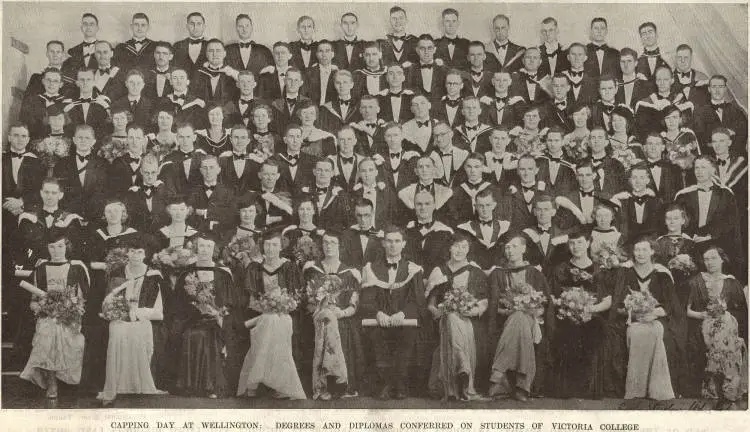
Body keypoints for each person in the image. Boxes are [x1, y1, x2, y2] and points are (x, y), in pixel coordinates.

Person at [79, 200, 141, 394]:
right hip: (100, 287)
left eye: (117, 210)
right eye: (109, 211)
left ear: (123, 213)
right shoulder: (95, 235)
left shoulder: (134, 235)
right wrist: (110, 266)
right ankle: (97, 381)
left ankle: (123, 380)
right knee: (99, 330)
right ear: (104, 214)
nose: (113, 214)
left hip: (126, 285)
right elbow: (89, 262)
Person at [97, 237, 168, 406]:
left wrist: (138, 313)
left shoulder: (154, 276)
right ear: (126, 253)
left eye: (140, 252)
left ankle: (138, 384)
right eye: (132, 251)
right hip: (120, 319)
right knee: (117, 331)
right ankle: (117, 384)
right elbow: (107, 301)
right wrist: (118, 312)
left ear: (146, 254)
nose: (135, 255)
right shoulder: (118, 273)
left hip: (144, 319)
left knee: (138, 332)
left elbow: (159, 311)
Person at [609, 237, 680, 400]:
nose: (640, 254)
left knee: (655, 331)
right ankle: (636, 388)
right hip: (630, 318)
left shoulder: (662, 274)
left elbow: (670, 305)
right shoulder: (625, 272)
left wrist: (654, 313)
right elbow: (618, 303)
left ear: (652, 251)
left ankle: (655, 387)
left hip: (656, 318)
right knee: (635, 333)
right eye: (637, 250)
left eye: (644, 250)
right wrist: (634, 314)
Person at [237, 231, 306, 399]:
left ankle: (254, 382)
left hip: (285, 314)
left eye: (275, 245)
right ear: (262, 247)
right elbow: (252, 301)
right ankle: (278, 385)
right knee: (269, 320)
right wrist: (267, 307)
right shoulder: (254, 268)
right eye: (267, 245)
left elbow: (296, 299)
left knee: (272, 321)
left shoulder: (289, 268)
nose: (270, 248)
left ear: (281, 246)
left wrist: (281, 306)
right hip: (261, 313)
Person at [360, 225, 425, 399]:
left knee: (408, 336)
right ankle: (385, 384)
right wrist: (378, 313)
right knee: (377, 336)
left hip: (404, 319)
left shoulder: (413, 269)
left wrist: (402, 314)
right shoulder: (371, 268)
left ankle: (400, 383)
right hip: (380, 319)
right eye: (389, 241)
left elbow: (416, 299)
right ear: (383, 243)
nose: (393, 245)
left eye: (397, 241)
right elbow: (367, 299)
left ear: (404, 244)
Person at [20, 234, 89, 399]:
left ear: (67, 247)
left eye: (60, 246)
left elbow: (83, 297)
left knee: (70, 339)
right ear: (47, 248)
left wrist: (70, 309)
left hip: (70, 315)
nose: (56, 250)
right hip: (47, 315)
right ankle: (52, 383)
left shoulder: (77, 267)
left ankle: (65, 380)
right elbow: (34, 301)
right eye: (52, 246)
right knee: (48, 334)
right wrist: (40, 307)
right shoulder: (41, 268)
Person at [548, 230, 612, 399]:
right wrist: (565, 305)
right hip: (565, 315)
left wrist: (591, 309)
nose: (576, 247)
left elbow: (607, 299)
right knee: (566, 332)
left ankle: (589, 390)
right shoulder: (560, 269)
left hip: (591, 314)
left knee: (596, 330)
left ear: (588, 243)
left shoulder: (599, 269)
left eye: (580, 243)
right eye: (572, 243)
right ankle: (567, 390)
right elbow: (552, 296)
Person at [487, 234, 551, 401]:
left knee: (521, 317)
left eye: (515, 246)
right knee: (518, 318)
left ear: (523, 249)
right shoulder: (497, 274)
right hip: (506, 319)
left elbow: (544, 304)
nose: (510, 251)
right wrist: (512, 311)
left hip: (533, 320)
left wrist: (529, 309)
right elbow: (495, 307)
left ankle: (498, 373)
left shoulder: (534, 273)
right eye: (507, 247)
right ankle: (523, 385)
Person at [425, 234, 489, 400]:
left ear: (469, 250)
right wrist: (437, 311)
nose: (459, 250)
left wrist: (472, 310)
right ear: (449, 248)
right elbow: (431, 303)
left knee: (453, 318)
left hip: (469, 319)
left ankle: (458, 376)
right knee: (451, 317)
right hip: (443, 318)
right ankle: (463, 368)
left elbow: (483, 301)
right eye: (456, 246)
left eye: (464, 247)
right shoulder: (439, 271)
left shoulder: (475, 271)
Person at [303, 231, 364, 399]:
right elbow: (307, 300)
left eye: (333, 243)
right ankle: (320, 384)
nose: (329, 246)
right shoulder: (312, 269)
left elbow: (354, 303)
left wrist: (341, 313)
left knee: (340, 328)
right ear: (321, 246)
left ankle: (339, 384)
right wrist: (319, 310)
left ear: (340, 246)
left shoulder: (350, 273)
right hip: (317, 317)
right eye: (326, 242)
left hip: (342, 318)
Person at [172, 234, 235, 398]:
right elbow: (179, 302)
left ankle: (211, 386)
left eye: (208, 246)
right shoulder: (187, 272)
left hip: (217, 319)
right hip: (191, 319)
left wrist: (217, 313)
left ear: (214, 249)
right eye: (201, 246)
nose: (205, 250)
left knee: (208, 336)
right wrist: (197, 310)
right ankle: (190, 386)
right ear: (195, 248)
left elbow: (229, 301)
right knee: (192, 334)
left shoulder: (223, 273)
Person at [686, 246, 748, 406]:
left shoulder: (731, 282)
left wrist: (725, 316)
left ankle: (728, 386)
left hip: (727, 327)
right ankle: (713, 388)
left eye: (713, 258)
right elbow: (685, 310)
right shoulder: (696, 281)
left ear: (722, 259)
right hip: (701, 324)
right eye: (706, 259)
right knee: (716, 333)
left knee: (726, 327)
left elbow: (742, 312)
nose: (710, 262)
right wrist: (701, 315)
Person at [54, 124, 108, 221]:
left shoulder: (103, 164)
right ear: (74, 140)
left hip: (95, 215)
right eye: (80, 137)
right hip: (69, 214)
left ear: (93, 142)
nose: (83, 140)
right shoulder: (62, 163)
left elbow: (103, 192)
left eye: (87, 138)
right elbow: (59, 191)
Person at [692, 75, 748, 154]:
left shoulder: (736, 111)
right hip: (711, 158)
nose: (717, 90)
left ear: (725, 89)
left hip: (735, 156)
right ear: (709, 89)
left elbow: (742, 135)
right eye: (714, 86)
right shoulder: (699, 112)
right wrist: (727, 132)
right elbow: (701, 138)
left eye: (721, 87)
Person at [190, 39, 239, 106]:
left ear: (224, 54)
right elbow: (192, 95)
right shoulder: (199, 73)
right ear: (206, 54)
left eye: (218, 51)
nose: (214, 54)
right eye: (211, 51)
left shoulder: (233, 74)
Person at [404, 34, 447, 101]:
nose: (426, 52)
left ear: (434, 50)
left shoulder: (443, 70)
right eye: (422, 48)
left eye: (429, 48)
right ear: (417, 50)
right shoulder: (409, 70)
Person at [172, 12, 208, 78]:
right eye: (192, 24)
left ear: (204, 26)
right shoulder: (177, 46)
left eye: (199, 24)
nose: (195, 27)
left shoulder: (210, 46)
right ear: (187, 26)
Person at [304, 40, 338, 106]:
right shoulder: (309, 73)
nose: (324, 55)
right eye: (320, 51)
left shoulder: (338, 73)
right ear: (316, 54)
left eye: (327, 51)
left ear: (332, 54)